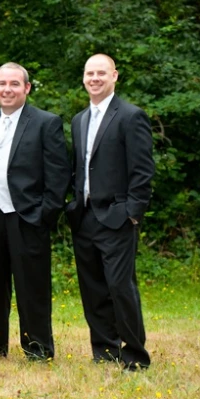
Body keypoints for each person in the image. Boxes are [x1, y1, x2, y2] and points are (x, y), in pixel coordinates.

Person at [0, 63, 69, 360]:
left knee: (31, 285)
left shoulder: (46, 123)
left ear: (27, 88)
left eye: (13, 84)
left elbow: (58, 175)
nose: (7, 89)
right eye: (1, 84)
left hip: (27, 215)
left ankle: (37, 347)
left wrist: (44, 214)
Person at [66, 53, 155, 371]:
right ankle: (104, 350)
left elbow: (143, 171)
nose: (94, 78)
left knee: (120, 286)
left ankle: (135, 354)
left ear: (114, 76)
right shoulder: (79, 120)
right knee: (92, 288)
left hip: (117, 216)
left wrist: (132, 212)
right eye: (89, 73)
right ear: (83, 78)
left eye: (101, 73)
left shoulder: (131, 116)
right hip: (85, 215)